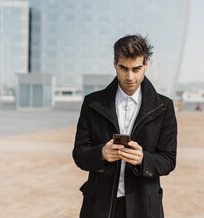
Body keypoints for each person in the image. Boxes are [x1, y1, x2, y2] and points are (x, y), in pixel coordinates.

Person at [73, 34, 178, 218]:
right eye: (123, 68)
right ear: (114, 63)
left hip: (144, 207)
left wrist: (143, 159)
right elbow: (79, 154)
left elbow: (169, 160)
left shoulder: (164, 107)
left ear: (146, 64)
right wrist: (101, 154)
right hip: (99, 207)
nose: (130, 76)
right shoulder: (92, 103)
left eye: (136, 69)